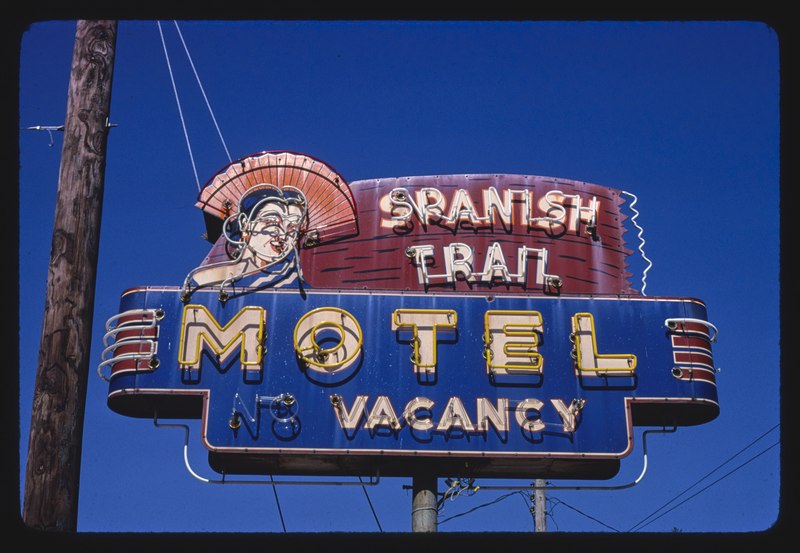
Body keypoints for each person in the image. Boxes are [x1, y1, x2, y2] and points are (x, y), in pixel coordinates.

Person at [181, 184, 307, 302]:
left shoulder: (297, 284)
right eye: (271, 222)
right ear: (245, 225)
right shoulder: (204, 280)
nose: (282, 234)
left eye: (292, 228)